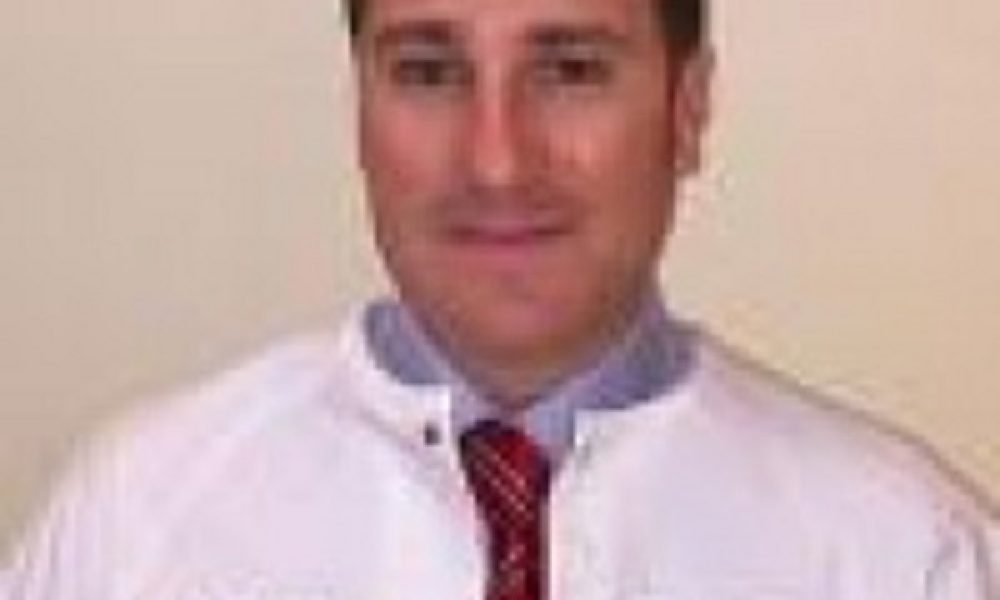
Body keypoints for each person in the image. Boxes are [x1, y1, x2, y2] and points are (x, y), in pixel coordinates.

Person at [4, 0, 998, 597]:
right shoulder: (133, 524)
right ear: (358, 108)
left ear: (688, 111)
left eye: (570, 69)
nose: (497, 162)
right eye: (428, 71)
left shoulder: (910, 557)